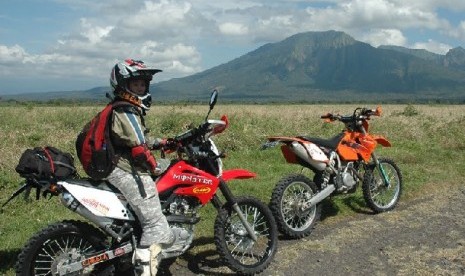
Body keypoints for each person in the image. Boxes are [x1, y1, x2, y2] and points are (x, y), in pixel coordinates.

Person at [107, 58, 174, 276]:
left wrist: (161, 142)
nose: (141, 88)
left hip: (117, 166)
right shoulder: (126, 110)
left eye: (143, 84)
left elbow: (137, 140)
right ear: (123, 85)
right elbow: (138, 151)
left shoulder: (122, 108)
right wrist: (155, 166)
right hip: (126, 170)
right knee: (157, 227)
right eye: (136, 84)